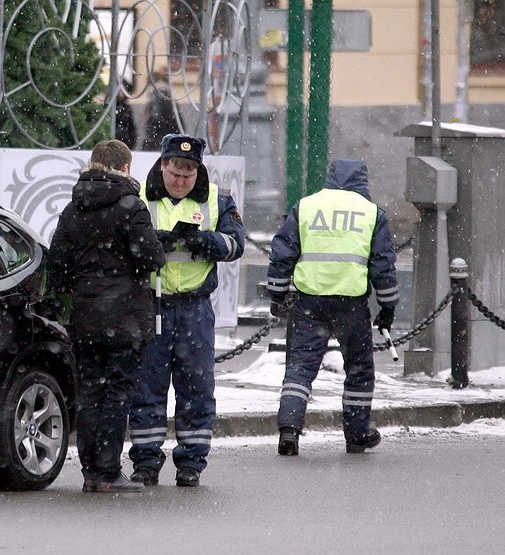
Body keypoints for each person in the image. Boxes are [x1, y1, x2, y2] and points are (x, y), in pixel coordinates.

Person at [47, 139, 165, 493]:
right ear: (126, 168)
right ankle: (109, 470)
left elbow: (58, 266)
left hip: (85, 316)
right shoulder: (131, 206)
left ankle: (90, 473)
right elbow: (151, 259)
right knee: (118, 393)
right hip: (125, 317)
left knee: (90, 393)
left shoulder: (73, 209)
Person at [128, 133, 245, 487]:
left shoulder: (218, 198)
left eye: (188, 175)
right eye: (175, 174)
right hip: (151, 304)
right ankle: (146, 462)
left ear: (198, 171)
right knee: (147, 386)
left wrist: (205, 242)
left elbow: (236, 243)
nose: (180, 182)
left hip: (194, 306)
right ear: (163, 164)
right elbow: (121, 243)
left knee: (196, 386)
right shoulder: (138, 197)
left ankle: (192, 462)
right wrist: (148, 244)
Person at [267, 159, 399, 456]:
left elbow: (283, 251)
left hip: (309, 301)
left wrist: (277, 292)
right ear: (362, 182)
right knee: (359, 369)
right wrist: (388, 305)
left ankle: (289, 430)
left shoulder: (307, 206)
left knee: (299, 368)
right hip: (350, 305)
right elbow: (383, 265)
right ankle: (357, 433)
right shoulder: (371, 213)